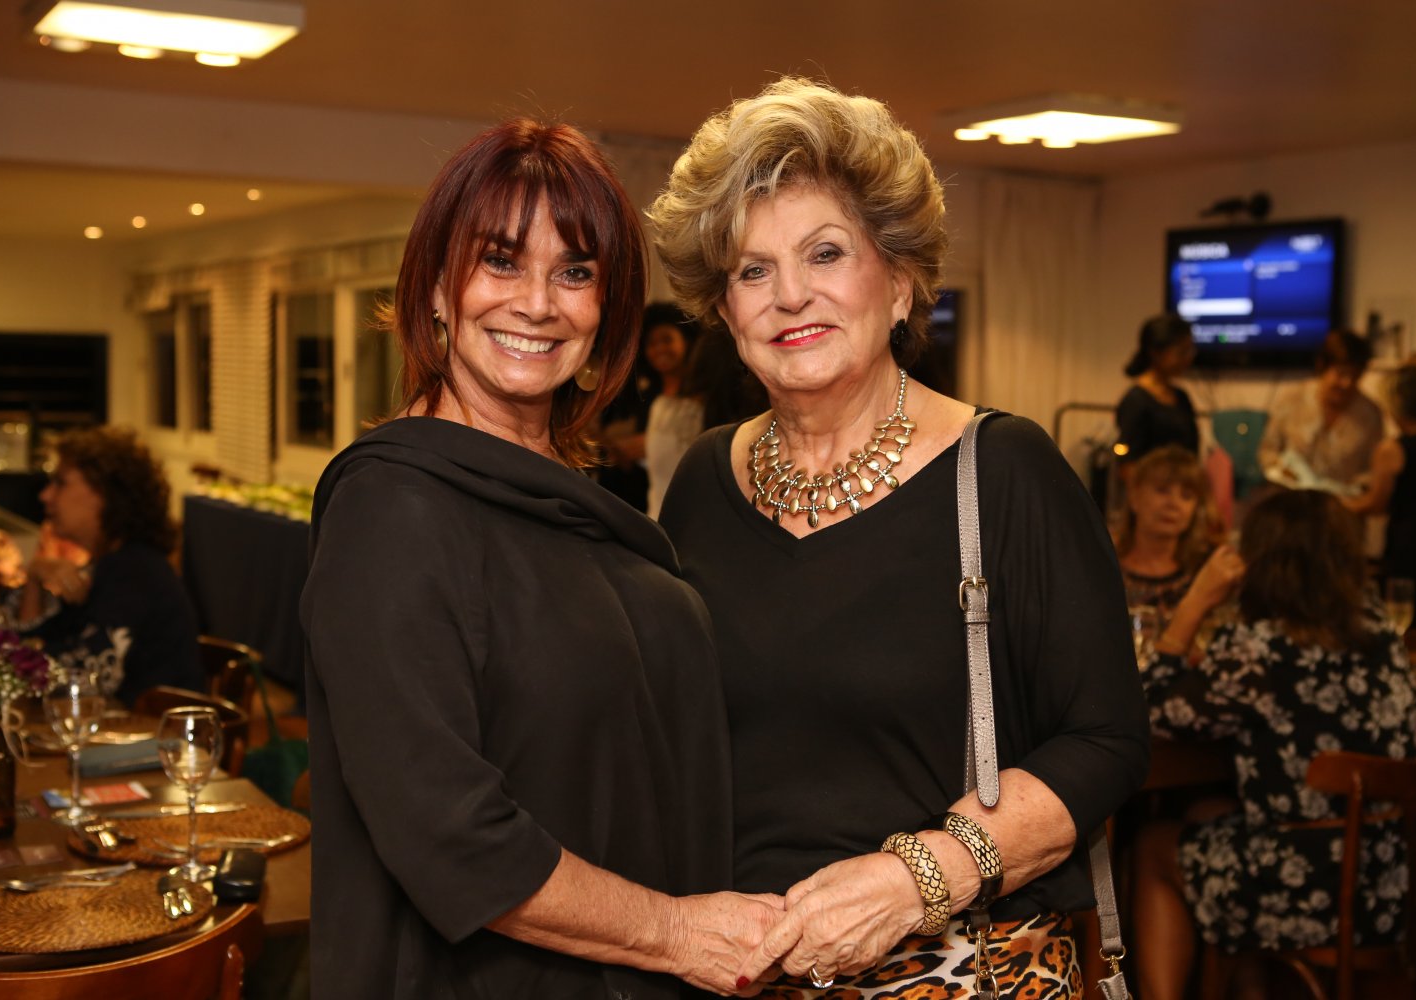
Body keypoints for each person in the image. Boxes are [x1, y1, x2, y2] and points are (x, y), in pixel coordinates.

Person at [651, 77, 1149, 998]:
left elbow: (1105, 741)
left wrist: (917, 879)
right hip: (736, 976)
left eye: (825, 253)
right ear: (724, 312)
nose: (789, 295)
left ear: (902, 281)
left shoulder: (1004, 472)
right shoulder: (700, 483)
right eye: (752, 271)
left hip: (956, 971)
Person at [299, 118, 780, 1000]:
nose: (537, 303)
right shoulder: (393, 509)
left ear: (606, 310)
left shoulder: (569, 501)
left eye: (576, 272)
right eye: (500, 261)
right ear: (435, 287)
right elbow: (450, 834)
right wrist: (678, 932)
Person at [1133, 490, 1416, 1000]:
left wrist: (1196, 602)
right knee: (1205, 812)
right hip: (1392, 884)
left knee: (1154, 846)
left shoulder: (1258, 650)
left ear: (1260, 561)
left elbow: (1146, 711)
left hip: (1310, 891)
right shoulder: (1380, 631)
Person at [16, 426, 202, 707]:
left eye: (61, 483)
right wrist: (34, 576)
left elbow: (80, 680)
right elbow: (28, 646)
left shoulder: (135, 573)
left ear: (106, 493)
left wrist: (14, 662)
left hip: (152, 731)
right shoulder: (109, 563)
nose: (46, 495)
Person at [1345, 360, 1416, 630]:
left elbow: (1377, 503)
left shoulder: (1393, 450)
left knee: (1411, 627)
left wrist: (1342, 505)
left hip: (1413, 550)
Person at [1258, 329, 1383, 493]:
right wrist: (1281, 472)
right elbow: (1268, 450)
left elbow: (1373, 470)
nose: (1347, 383)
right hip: (1292, 498)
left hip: (1342, 503)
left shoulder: (1370, 414)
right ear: (1323, 367)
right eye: (1341, 374)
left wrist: (1354, 489)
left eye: (1355, 376)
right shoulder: (1293, 399)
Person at [1113, 445, 1222, 617]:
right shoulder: (1104, 564)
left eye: (1186, 496)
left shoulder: (1205, 571)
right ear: (1134, 496)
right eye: (1162, 490)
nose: (1173, 504)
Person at [638, 303, 702, 517]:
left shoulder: (700, 402)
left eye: (667, 340)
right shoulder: (653, 402)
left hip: (694, 515)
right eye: (651, 343)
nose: (659, 349)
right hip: (656, 515)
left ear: (686, 341)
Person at [1116, 314, 1200, 464]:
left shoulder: (1181, 396)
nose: (1189, 357)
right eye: (1182, 352)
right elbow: (1127, 463)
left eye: (1190, 350)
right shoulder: (1136, 400)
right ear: (1156, 353)